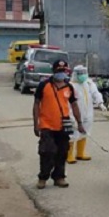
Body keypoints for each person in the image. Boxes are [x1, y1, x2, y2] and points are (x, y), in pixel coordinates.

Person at [33, 60, 84, 189]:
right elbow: (36, 104)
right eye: (58, 70)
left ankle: (59, 177)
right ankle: (43, 177)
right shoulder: (44, 85)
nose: (61, 73)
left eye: (63, 70)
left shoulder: (69, 87)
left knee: (62, 152)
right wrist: (36, 123)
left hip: (63, 125)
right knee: (47, 152)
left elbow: (74, 105)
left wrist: (79, 123)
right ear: (53, 71)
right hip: (47, 125)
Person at [67, 65, 104, 164]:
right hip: (75, 113)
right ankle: (69, 154)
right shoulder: (71, 85)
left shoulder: (88, 83)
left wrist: (100, 103)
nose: (82, 75)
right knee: (73, 133)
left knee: (85, 131)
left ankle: (80, 153)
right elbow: (67, 103)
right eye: (80, 73)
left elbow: (95, 93)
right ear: (75, 74)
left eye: (84, 73)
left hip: (88, 111)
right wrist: (70, 116)